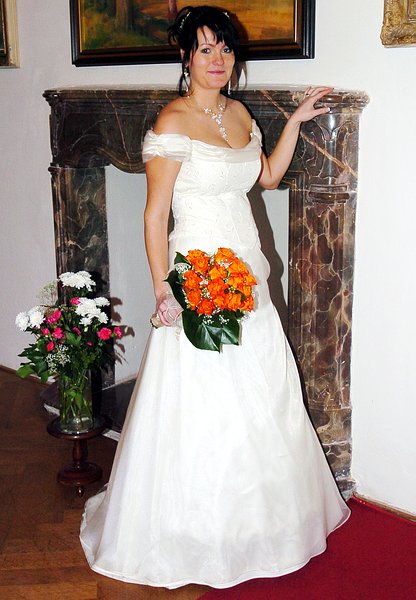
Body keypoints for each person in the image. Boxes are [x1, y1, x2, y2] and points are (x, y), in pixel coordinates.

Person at [80, 5, 350, 589]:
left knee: (262, 392)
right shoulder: (172, 121)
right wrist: (162, 287)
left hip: (246, 271)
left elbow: (267, 178)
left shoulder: (239, 113)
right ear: (186, 56)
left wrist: (295, 122)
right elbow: (155, 215)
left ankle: (260, 525)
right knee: (202, 399)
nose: (218, 59)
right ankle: (192, 530)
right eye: (206, 49)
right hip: (196, 273)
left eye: (225, 48)